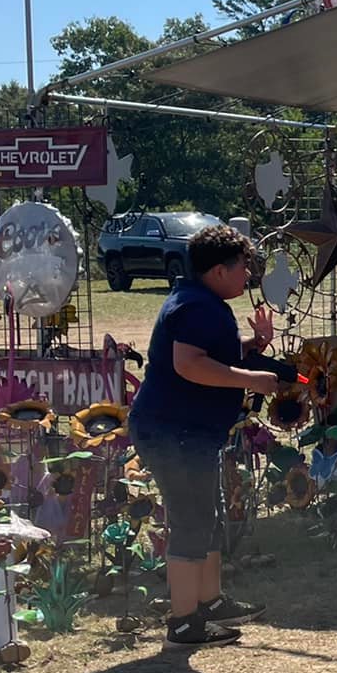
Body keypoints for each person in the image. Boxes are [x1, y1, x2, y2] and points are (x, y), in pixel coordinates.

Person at [129, 224, 289, 647]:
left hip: (189, 432)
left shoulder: (201, 302)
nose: (248, 276)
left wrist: (253, 344)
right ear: (219, 270)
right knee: (189, 521)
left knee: (208, 515)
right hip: (172, 432)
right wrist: (252, 378)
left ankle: (210, 602)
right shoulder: (197, 306)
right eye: (243, 268)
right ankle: (183, 624)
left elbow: (211, 348)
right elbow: (189, 364)